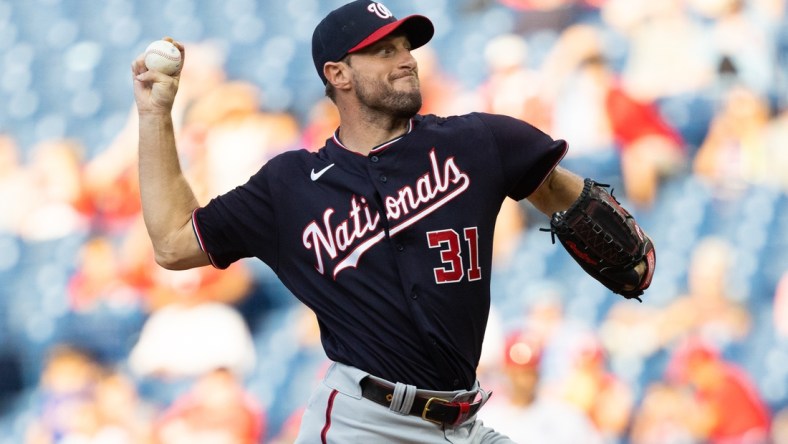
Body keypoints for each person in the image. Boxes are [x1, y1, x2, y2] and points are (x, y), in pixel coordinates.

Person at [131, 1, 654, 442]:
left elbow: (566, 195)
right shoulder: (289, 186)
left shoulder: (477, 142)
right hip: (366, 423)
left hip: (462, 419)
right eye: (384, 50)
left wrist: (593, 219)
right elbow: (175, 243)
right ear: (337, 74)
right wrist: (156, 117)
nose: (406, 60)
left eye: (406, 47)